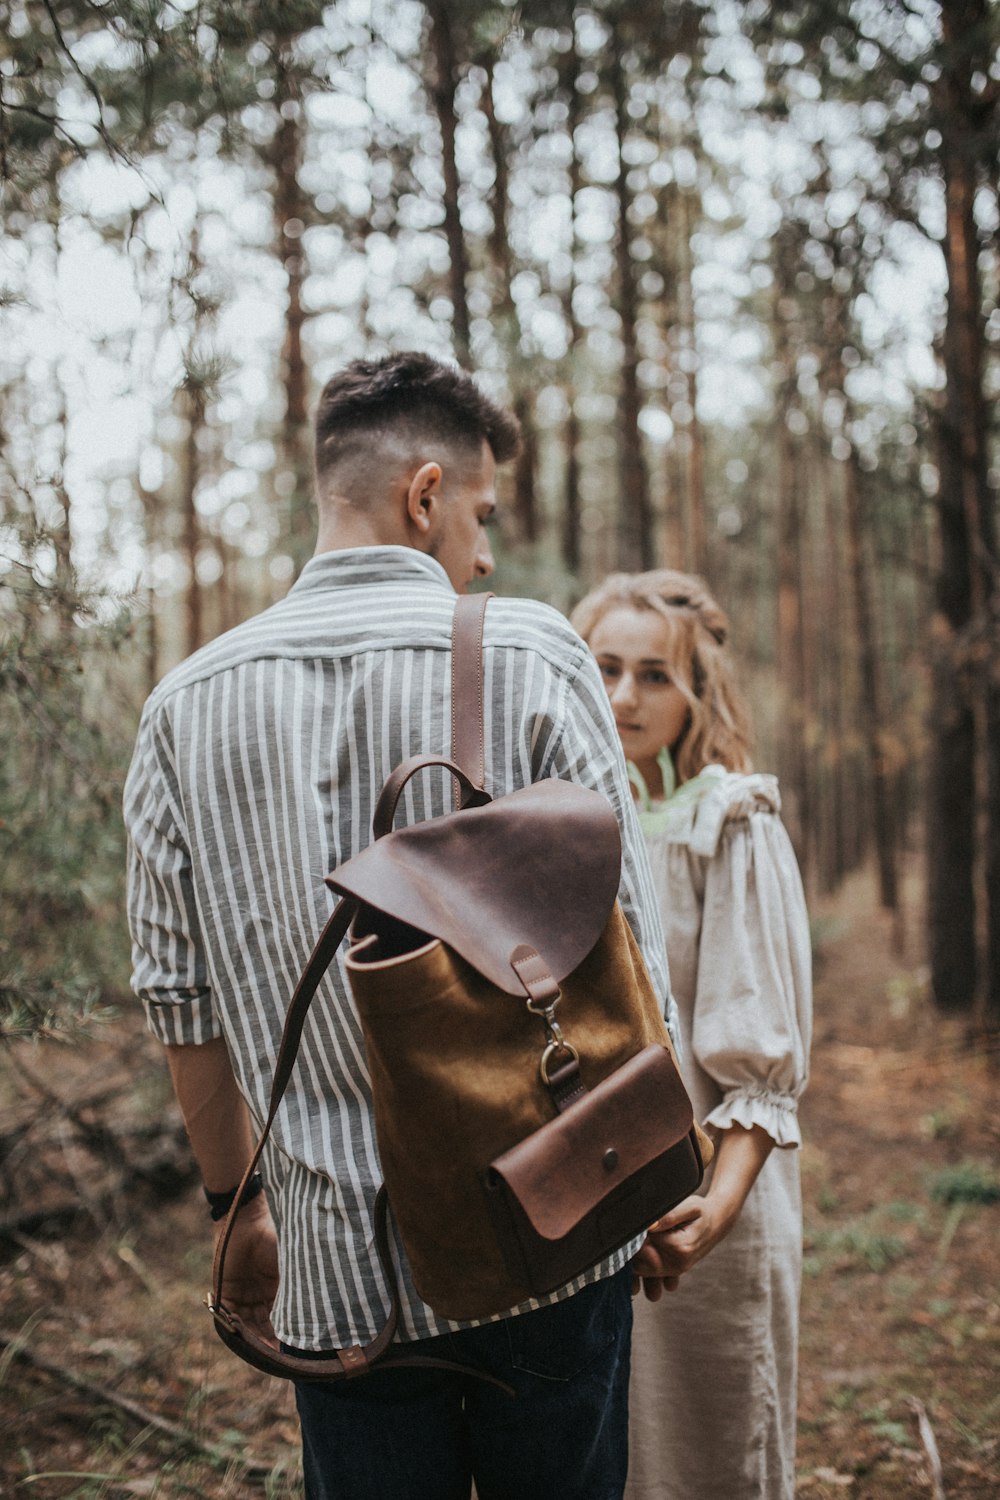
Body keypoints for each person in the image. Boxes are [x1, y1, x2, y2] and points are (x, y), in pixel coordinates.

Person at [124, 353, 677, 1500]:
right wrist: (648, 1167)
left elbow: (180, 1001)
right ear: (423, 495)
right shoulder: (526, 652)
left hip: (336, 1274)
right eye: (479, 516)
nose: (483, 555)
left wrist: (239, 1213)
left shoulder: (180, 708)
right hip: (551, 1226)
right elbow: (632, 935)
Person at [572, 570, 812, 1500]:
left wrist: (713, 1210)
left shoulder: (729, 823)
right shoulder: (564, 820)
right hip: (585, 1206)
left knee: (709, 1451)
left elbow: (761, 1057)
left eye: (655, 675)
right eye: (604, 668)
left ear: (696, 692)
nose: (625, 696)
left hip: (708, 1204)